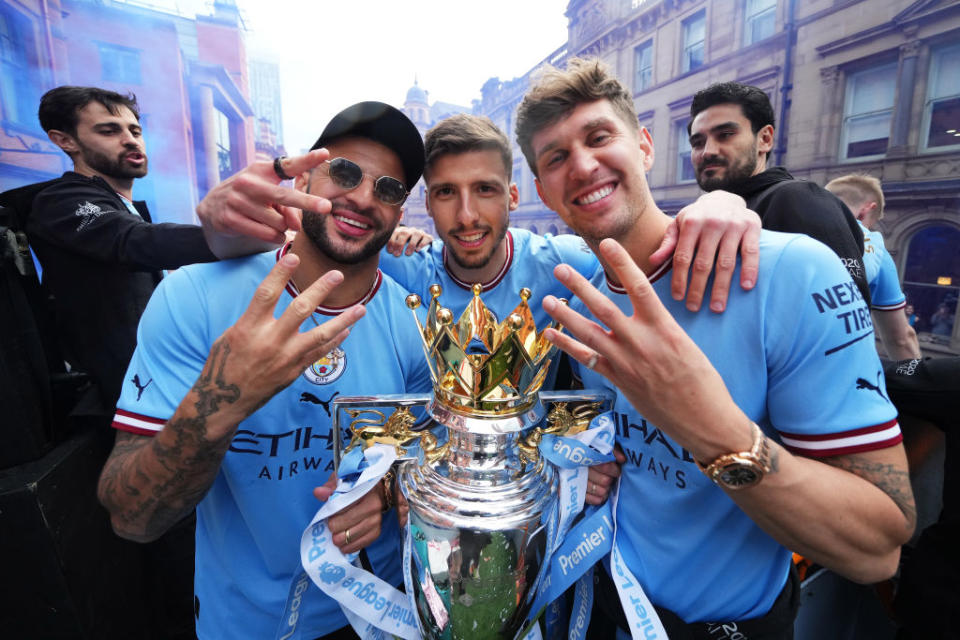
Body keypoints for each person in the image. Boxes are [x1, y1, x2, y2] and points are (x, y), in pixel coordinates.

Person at [514, 57, 914, 637]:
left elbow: (878, 547)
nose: (582, 164)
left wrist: (711, 429)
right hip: (599, 604)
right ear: (543, 190)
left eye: (600, 137)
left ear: (645, 146)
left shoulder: (789, 272)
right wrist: (580, 468)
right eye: (555, 157)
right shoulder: (584, 309)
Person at [96, 102, 432, 639]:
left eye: (389, 190)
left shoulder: (413, 318)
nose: (364, 198)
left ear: (401, 212)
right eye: (344, 172)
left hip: (384, 612)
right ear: (305, 176)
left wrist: (388, 492)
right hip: (251, 623)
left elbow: (421, 450)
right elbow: (133, 517)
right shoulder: (194, 296)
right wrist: (222, 401)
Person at [0, 87, 222, 418]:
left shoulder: (122, 207)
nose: (130, 140)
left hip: (151, 390)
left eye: (135, 131)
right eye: (108, 130)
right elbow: (135, 241)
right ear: (65, 141)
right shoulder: (59, 202)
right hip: (112, 407)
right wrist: (243, 235)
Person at [687, 81, 871, 307]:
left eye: (725, 135)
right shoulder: (715, 207)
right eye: (698, 142)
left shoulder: (799, 199)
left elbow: (848, 314)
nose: (708, 152)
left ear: (764, 139)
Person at [825, 174, 921, 360]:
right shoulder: (873, 248)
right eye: (872, 223)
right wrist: (914, 380)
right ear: (867, 209)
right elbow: (901, 339)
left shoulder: (776, 222)